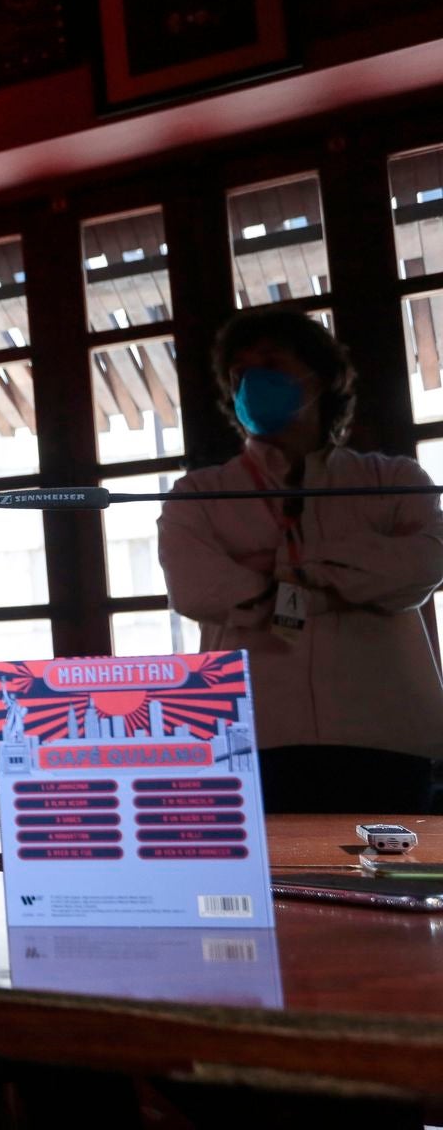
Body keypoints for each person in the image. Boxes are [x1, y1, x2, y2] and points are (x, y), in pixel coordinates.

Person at [158, 310, 443, 812]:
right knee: (271, 890)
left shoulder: (393, 478)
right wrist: (353, 580)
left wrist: (292, 572)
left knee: (387, 886)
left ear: (323, 377)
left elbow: (423, 567)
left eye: (272, 362)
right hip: (250, 734)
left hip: (387, 732)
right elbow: (194, 588)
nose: (253, 379)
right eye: (239, 371)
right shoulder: (199, 493)